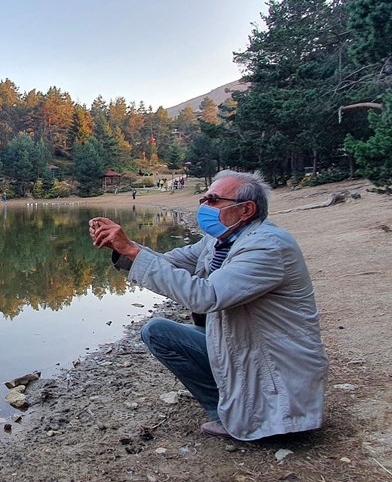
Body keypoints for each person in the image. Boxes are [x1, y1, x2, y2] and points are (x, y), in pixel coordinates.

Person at [88, 170, 327, 441]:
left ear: (246, 209)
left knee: (165, 330)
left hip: (272, 360)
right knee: (157, 332)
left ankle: (242, 417)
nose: (204, 206)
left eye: (213, 200)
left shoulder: (267, 247)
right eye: (203, 199)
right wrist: (124, 248)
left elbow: (207, 297)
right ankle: (225, 408)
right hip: (243, 344)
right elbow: (169, 263)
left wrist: (132, 250)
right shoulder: (219, 240)